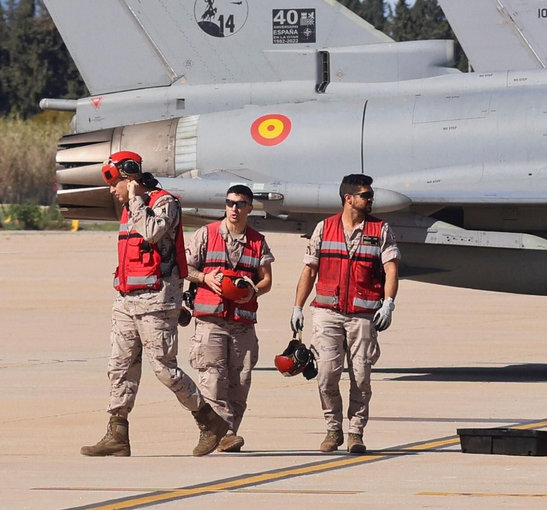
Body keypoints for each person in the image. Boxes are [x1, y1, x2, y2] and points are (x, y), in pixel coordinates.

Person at [81, 152, 232, 458]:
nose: (112, 190)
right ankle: (117, 433)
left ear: (130, 179)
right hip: (126, 299)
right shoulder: (129, 210)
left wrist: (137, 200)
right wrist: (133, 203)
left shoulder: (164, 203)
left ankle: (210, 421)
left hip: (157, 300)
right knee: (119, 367)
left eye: (115, 184)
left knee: (164, 369)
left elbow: (153, 232)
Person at [291, 173, 401, 455]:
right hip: (327, 313)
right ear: (348, 198)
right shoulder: (324, 228)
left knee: (361, 376)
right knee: (327, 374)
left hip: (363, 315)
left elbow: (390, 268)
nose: (370, 199)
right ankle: (333, 428)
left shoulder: (380, 230)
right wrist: (298, 307)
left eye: (370, 194)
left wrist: (388, 303)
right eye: (366, 195)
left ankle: (355, 432)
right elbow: (309, 269)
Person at [185, 183, 274, 453]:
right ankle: (217, 431)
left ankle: (228, 433)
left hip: (242, 321)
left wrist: (254, 291)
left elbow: (267, 279)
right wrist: (204, 277)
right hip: (211, 319)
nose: (234, 208)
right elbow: (184, 266)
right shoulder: (206, 234)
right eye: (230, 203)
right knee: (212, 376)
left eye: (239, 204)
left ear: (249, 208)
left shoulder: (257, 241)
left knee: (241, 380)